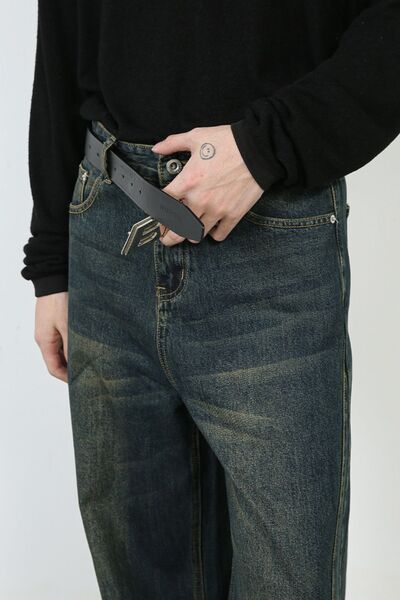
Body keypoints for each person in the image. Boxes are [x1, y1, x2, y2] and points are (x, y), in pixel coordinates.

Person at [21, 1, 400, 599]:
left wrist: (265, 145)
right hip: (106, 223)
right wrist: (51, 261)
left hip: (270, 227)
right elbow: (62, 29)